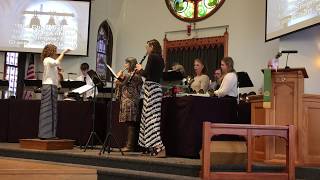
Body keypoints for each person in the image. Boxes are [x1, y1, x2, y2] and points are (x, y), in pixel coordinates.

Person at [135, 39, 166, 157]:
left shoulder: (152, 56)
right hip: (155, 89)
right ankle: (150, 147)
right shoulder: (160, 58)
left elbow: (147, 73)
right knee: (148, 119)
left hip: (151, 89)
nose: (146, 50)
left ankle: (159, 148)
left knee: (151, 119)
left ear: (152, 46)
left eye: (147, 47)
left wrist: (139, 69)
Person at [38, 44, 70, 139]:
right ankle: (45, 134)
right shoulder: (47, 59)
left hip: (53, 86)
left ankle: (51, 134)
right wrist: (64, 52)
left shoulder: (49, 61)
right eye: (55, 51)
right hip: (48, 86)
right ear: (51, 51)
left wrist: (57, 70)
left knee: (53, 111)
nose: (56, 53)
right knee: (47, 110)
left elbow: (54, 66)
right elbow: (57, 62)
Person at [115, 57, 143, 152]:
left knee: (131, 123)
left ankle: (130, 146)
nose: (125, 65)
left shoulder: (133, 76)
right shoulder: (132, 76)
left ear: (131, 64)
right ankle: (130, 145)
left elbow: (121, 83)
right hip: (129, 101)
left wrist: (118, 77)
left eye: (126, 63)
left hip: (130, 101)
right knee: (130, 123)